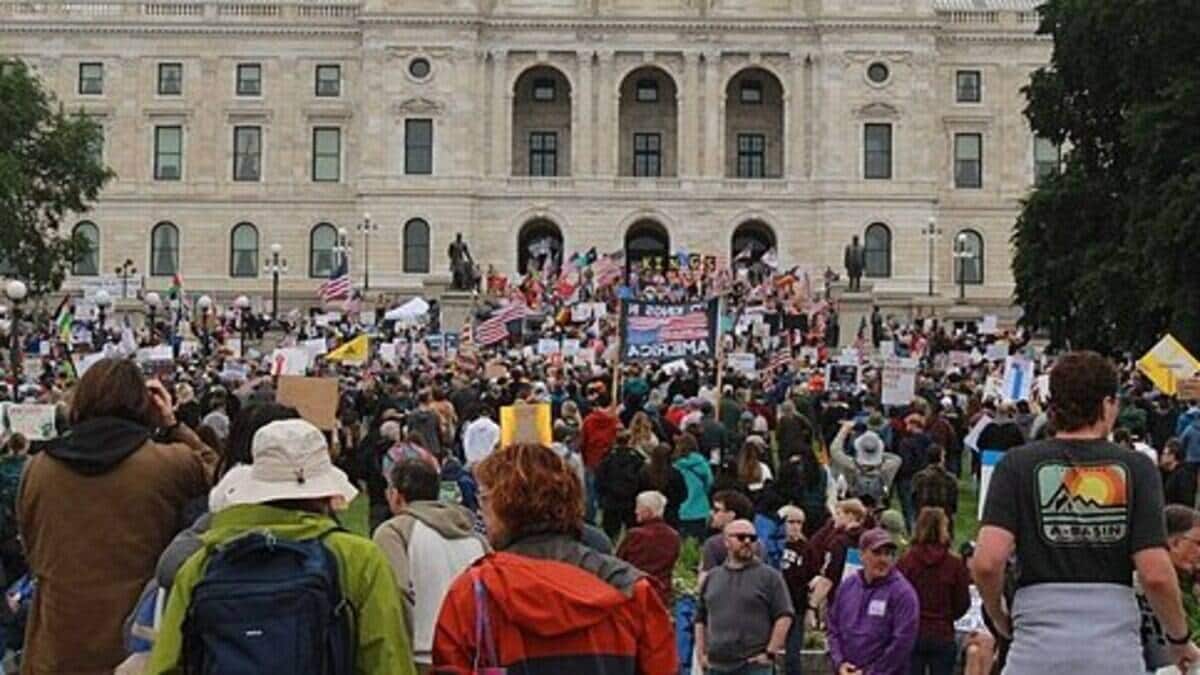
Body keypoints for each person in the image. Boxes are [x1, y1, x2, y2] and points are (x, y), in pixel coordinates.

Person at [972, 351, 1200, 674]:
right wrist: (1179, 639)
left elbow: (986, 562)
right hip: (1113, 648)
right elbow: (1155, 574)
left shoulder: (1016, 465)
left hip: (1036, 644)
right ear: (1107, 404)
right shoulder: (1137, 468)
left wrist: (998, 616)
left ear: (1052, 403)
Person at [147, 418, 415, 674]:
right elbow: (387, 661)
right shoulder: (359, 559)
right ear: (326, 491)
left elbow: (166, 665)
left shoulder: (202, 564)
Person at [18, 359, 218, 675]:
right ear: (144, 404)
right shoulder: (168, 465)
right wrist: (172, 424)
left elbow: (32, 547)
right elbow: (222, 481)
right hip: (137, 644)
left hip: (56, 644)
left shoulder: (38, 468)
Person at [432, 444, 677, 673]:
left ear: (502, 506)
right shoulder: (633, 593)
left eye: (484, 498)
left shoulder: (474, 593)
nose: (480, 510)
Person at [374, 458, 487, 673]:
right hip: (475, 656)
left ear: (396, 495)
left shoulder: (393, 533)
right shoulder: (475, 537)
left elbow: (396, 595)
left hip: (421, 657)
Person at [695, 519, 794, 675]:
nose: (747, 541)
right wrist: (701, 654)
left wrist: (770, 652)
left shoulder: (770, 577)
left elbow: (784, 615)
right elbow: (700, 619)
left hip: (754, 665)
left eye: (752, 538)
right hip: (716, 665)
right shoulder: (712, 577)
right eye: (741, 537)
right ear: (726, 542)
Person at [826, 528, 919, 675]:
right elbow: (833, 628)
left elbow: (902, 642)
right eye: (877, 553)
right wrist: (840, 662)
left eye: (888, 554)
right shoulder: (848, 586)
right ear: (862, 555)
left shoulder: (903, 593)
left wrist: (871, 672)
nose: (883, 559)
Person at [897, 508, 970, 675]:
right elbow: (962, 602)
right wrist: (948, 615)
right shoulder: (954, 564)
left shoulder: (906, 561)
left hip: (912, 631)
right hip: (942, 632)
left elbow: (897, 595)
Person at [616, 491, 682, 606]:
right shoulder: (674, 536)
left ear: (647, 511)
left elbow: (618, 562)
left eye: (638, 507)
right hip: (662, 595)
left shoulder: (635, 535)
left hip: (636, 594)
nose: (635, 511)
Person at [778, 506, 818, 675]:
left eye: (799, 523)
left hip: (797, 606)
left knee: (793, 655)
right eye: (791, 522)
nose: (795, 526)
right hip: (774, 605)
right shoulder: (773, 546)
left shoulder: (807, 548)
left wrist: (811, 608)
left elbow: (813, 579)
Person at [595, 430, 646, 539]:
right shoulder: (637, 458)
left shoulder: (607, 457)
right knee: (632, 534)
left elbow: (599, 478)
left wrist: (602, 496)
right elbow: (642, 479)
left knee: (610, 534)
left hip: (611, 500)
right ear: (629, 441)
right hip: (631, 502)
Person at [637, 442, 688, 528]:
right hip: (671, 514)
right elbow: (684, 494)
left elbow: (638, 491)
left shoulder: (644, 473)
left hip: (648, 512)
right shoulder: (675, 474)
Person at [911, 444, 959, 536]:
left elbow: (914, 499)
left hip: (923, 518)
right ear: (941, 458)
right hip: (944, 518)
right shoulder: (950, 478)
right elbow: (953, 502)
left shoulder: (918, 477)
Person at [674, 432, 714, 540]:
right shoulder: (702, 463)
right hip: (700, 509)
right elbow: (709, 482)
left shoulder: (676, 466)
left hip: (681, 510)